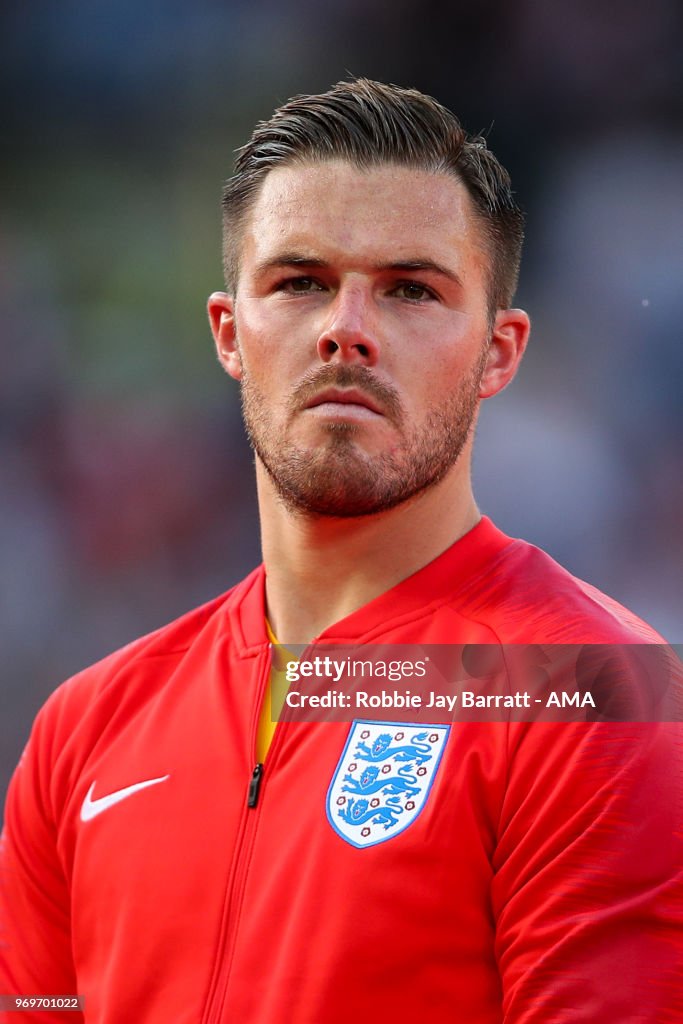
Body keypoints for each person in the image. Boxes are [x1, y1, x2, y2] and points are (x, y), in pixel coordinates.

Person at [1, 79, 681, 1023]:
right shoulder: (85, 731)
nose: (345, 330)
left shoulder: (587, 693)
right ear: (229, 333)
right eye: (300, 283)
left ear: (499, 350)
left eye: (409, 289)